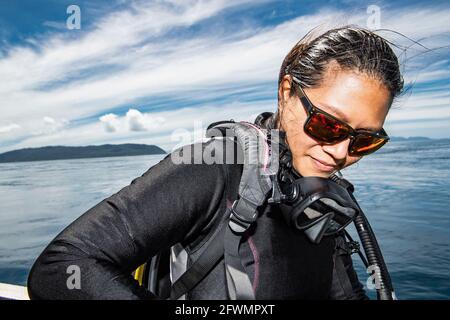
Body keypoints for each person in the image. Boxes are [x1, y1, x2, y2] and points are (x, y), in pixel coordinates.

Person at [27, 25, 403, 300]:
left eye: (364, 140)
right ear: (287, 93)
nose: (340, 152)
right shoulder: (213, 167)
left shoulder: (324, 202)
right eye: (326, 125)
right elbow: (60, 266)